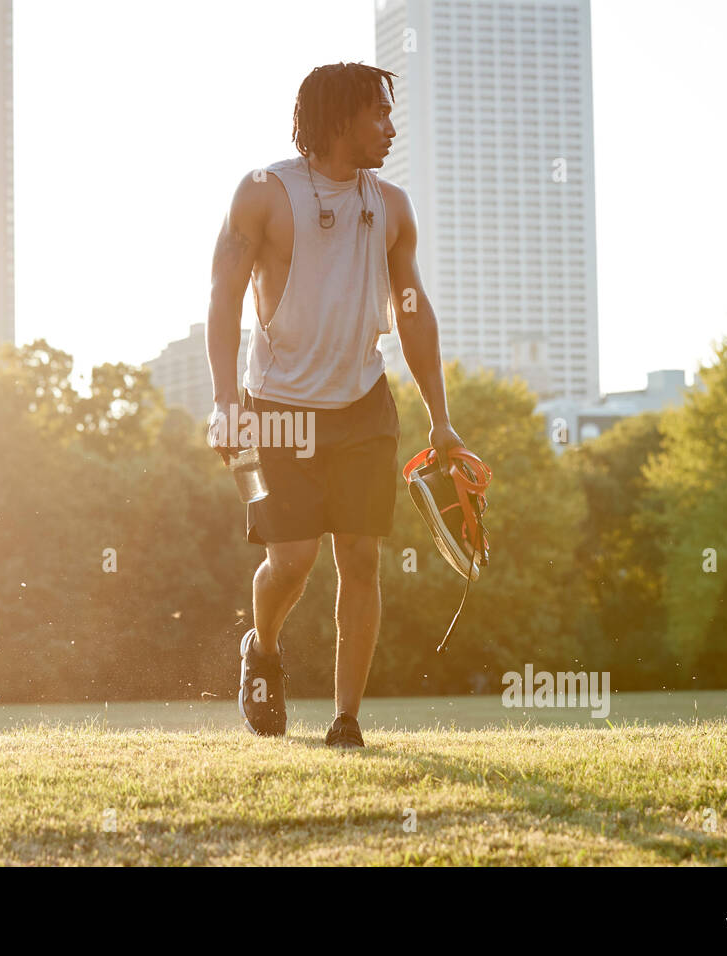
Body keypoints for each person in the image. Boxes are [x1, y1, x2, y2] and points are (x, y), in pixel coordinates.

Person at [206, 62, 464, 748]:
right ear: (337, 118)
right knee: (290, 561)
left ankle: (346, 719)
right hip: (275, 410)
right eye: (378, 112)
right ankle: (261, 651)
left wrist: (441, 419)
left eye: (391, 111)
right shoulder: (264, 193)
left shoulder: (394, 206)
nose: (391, 126)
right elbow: (224, 297)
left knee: (361, 557)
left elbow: (413, 313)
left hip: (362, 407)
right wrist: (225, 401)